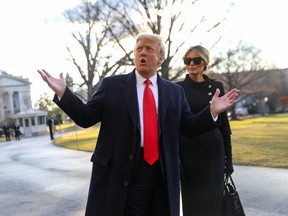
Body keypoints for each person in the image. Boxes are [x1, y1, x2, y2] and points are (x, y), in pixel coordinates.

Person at [37, 33, 239, 216]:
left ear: (160, 59)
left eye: (149, 49)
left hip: (162, 173)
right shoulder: (113, 85)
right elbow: (86, 117)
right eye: (139, 48)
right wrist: (64, 93)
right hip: (125, 170)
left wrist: (211, 112)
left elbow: (188, 126)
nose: (143, 52)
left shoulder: (174, 92)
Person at [177, 45, 234, 216]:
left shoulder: (216, 87)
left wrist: (228, 159)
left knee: (214, 202)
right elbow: (176, 125)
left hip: (213, 153)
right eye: (187, 60)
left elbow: (224, 125)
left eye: (196, 60)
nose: (191, 64)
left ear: (205, 62)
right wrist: (177, 161)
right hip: (189, 152)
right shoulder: (176, 88)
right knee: (192, 202)